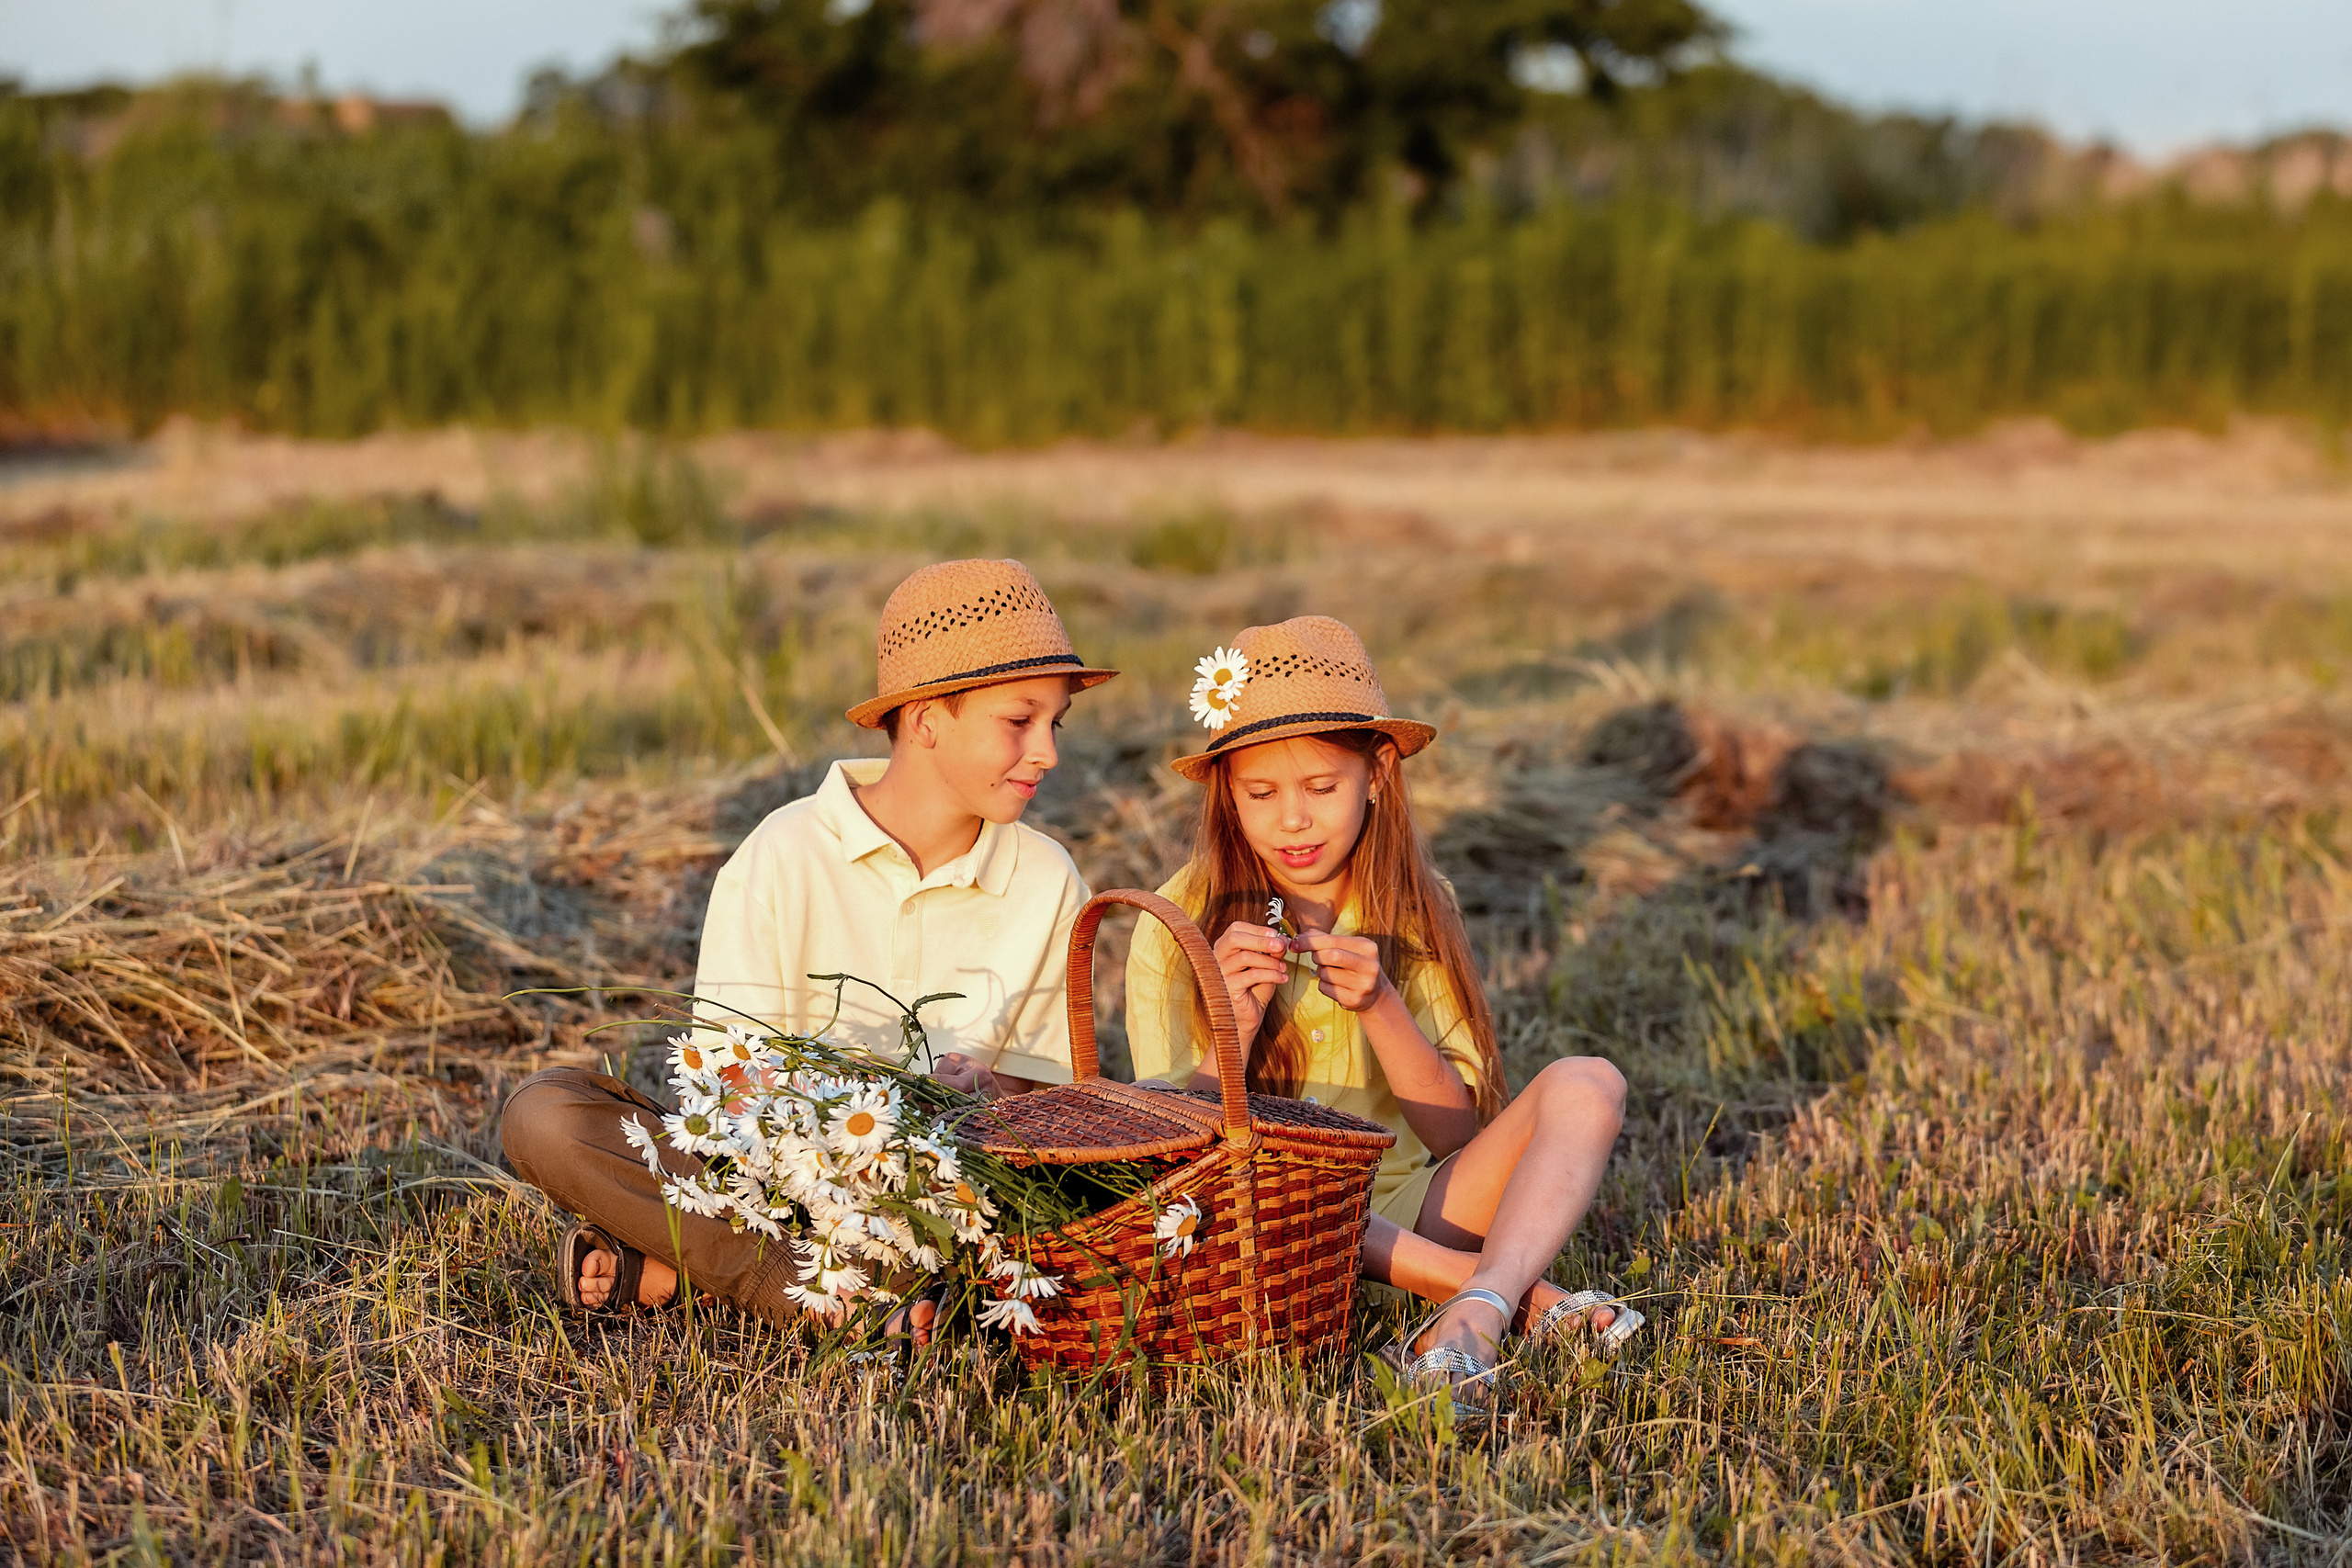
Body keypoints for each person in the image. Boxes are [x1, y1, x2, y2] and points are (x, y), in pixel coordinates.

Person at [500, 558, 1116, 1340]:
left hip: (945, 1196)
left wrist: (988, 1089)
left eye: (1054, 724)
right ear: (927, 718)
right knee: (545, 1116)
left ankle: (691, 1269)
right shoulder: (782, 853)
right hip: (776, 1174)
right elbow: (724, 1090)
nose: (1048, 753)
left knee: (1075, 1217)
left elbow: (1050, 1109)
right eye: (1019, 721)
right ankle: (841, 1298)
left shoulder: (1046, 875)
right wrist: (834, 1133)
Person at [1125, 616, 1641, 1418]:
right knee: (1275, 1185)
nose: (1292, 820)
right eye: (1261, 793)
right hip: (1269, 1209)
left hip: (1415, 1201)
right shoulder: (1176, 921)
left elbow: (1453, 1136)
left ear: (1378, 774)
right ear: (1227, 790)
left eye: (1321, 788)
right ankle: (1513, 1297)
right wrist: (1233, 1027)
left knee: (1590, 1082)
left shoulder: (1418, 907)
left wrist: (1382, 1006)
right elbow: (1167, 1162)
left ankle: (1476, 1310)